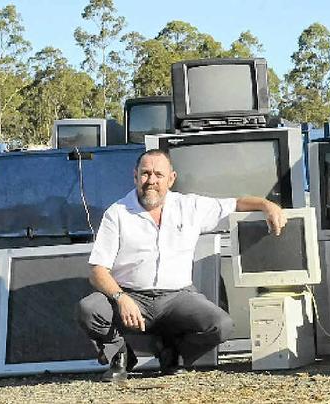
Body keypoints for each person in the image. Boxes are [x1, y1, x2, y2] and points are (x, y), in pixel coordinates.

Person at [76, 149, 287, 382]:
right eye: (145, 174)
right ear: (135, 176)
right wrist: (121, 298)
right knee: (90, 309)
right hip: (130, 295)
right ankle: (121, 356)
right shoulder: (117, 214)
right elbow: (97, 270)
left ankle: (172, 351)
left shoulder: (190, 207)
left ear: (171, 178)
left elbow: (236, 204)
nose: (152, 181)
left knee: (221, 326)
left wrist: (267, 205)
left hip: (177, 297)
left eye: (159, 174)